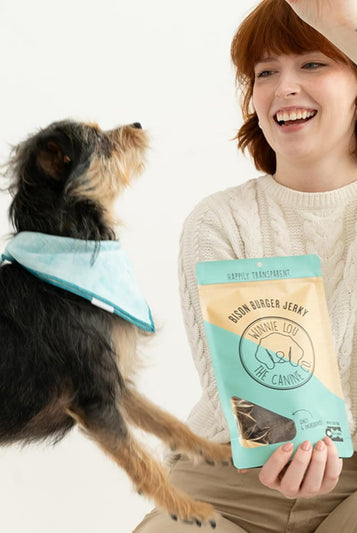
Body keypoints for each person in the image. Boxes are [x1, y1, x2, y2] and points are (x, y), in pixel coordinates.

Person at [134, 0, 357, 531]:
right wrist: (287, 439)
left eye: (313, 63)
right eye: (265, 72)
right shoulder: (220, 220)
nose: (284, 87)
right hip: (228, 480)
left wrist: (345, 24)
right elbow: (238, 393)